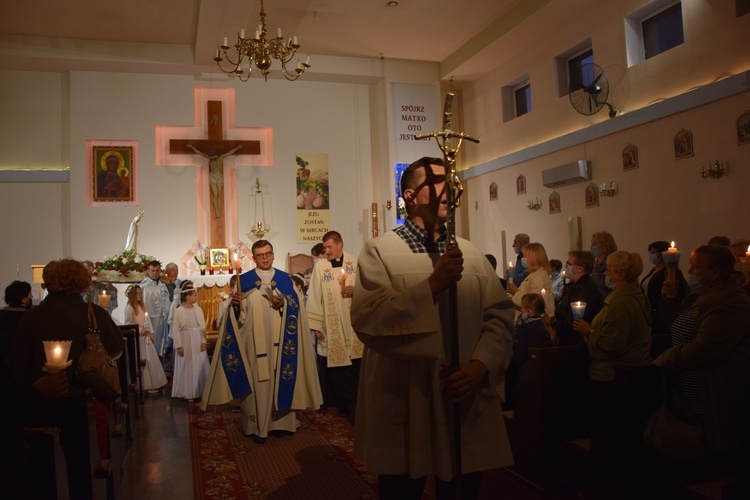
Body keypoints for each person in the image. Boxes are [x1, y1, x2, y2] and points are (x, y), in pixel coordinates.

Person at [351, 156, 515, 498]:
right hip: (406, 395)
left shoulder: (470, 254)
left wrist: (479, 365)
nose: (449, 191)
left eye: (452, 183)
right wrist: (431, 286)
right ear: (410, 196)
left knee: (462, 488)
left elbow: (499, 317)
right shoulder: (379, 251)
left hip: (464, 392)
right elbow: (369, 318)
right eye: (439, 181)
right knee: (402, 488)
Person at [11, 259, 123, 498]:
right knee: (84, 465)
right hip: (86, 404)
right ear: (82, 283)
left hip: (39, 406)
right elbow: (116, 350)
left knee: (46, 473)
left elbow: (18, 363)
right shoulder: (93, 313)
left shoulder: (32, 316)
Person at [202, 241, 322, 443]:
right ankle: (258, 426)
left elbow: (298, 307)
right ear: (254, 258)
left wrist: (284, 303)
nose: (265, 258)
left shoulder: (286, 280)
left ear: (273, 255)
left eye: (268, 254)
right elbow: (237, 318)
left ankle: (282, 424)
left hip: (283, 343)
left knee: (281, 378)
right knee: (258, 383)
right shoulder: (244, 280)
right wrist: (237, 306)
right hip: (255, 345)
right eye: (260, 255)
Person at [654, 245, 750, 495]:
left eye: (696, 267)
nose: (690, 271)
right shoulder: (701, 295)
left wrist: (663, 359)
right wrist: (671, 302)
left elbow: (704, 347)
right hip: (689, 390)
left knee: (712, 467)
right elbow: (684, 329)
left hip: (714, 391)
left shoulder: (733, 301)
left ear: (715, 273)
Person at [307, 230, 363, 418]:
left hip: (353, 324)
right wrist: (316, 325)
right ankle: (345, 405)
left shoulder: (355, 263)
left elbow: (369, 287)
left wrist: (357, 290)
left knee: (356, 365)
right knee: (337, 368)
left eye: (330, 247)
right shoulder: (320, 267)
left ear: (340, 245)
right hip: (331, 326)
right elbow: (314, 296)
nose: (327, 251)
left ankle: (357, 404)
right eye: (325, 248)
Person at [505, 293, 556, 410]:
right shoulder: (547, 325)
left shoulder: (525, 330)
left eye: (522, 308)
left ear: (528, 311)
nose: (520, 311)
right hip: (544, 374)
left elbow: (518, 357)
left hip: (527, 376)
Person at [123, 284, 167, 393]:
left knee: (151, 359)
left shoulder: (142, 307)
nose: (139, 295)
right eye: (137, 293)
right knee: (143, 359)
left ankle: (154, 383)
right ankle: (145, 385)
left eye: (140, 293)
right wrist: (140, 330)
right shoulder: (129, 308)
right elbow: (129, 324)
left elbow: (147, 320)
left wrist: (151, 332)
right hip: (138, 339)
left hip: (146, 338)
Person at [554, 250, 604, 346]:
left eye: (569, 264)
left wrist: (552, 325)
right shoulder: (578, 285)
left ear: (580, 269)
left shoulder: (582, 288)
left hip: (575, 343)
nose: (566, 267)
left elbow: (574, 322)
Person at [170, 281, 209, 401]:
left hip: (196, 338)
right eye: (194, 295)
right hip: (185, 339)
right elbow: (175, 330)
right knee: (186, 364)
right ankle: (189, 391)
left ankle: (201, 390)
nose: (196, 297)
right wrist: (179, 345)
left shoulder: (198, 310)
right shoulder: (179, 311)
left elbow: (202, 326)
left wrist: (203, 341)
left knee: (198, 363)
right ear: (187, 296)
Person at [639, 241, 688, 337]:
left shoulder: (669, 273)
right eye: (650, 253)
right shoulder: (653, 271)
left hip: (659, 314)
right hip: (648, 313)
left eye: (654, 252)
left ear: (663, 253)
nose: (651, 255)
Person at [186, 143, 242, 218]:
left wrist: (238, 147)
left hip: (219, 177)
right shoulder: (210, 159)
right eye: (211, 156)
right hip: (212, 177)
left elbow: (230, 152)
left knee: (219, 194)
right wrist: (192, 147)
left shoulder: (221, 157)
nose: (211, 158)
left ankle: (218, 210)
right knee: (215, 194)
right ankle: (217, 212)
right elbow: (200, 153)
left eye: (212, 156)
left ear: (216, 155)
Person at [507, 242, 555, 318]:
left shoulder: (538, 277)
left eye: (525, 256)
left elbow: (534, 304)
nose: (523, 259)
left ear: (534, 258)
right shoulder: (535, 274)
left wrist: (516, 292)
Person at [140, 261, 171, 361]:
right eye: (152, 271)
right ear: (148, 271)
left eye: (157, 271)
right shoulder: (143, 286)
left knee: (161, 345)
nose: (155, 273)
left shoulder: (163, 284)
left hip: (162, 320)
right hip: (149, 320)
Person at [0, 280, 33, 366]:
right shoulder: (29, 317)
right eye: (30, 294)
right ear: (24, 300)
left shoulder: (2, 314)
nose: (32, 296)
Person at [590, 231, 618, 297]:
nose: (591, 246)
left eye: (595, 244)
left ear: (605, 247)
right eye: (591, 243)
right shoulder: (594, 264)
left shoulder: (610, 265)